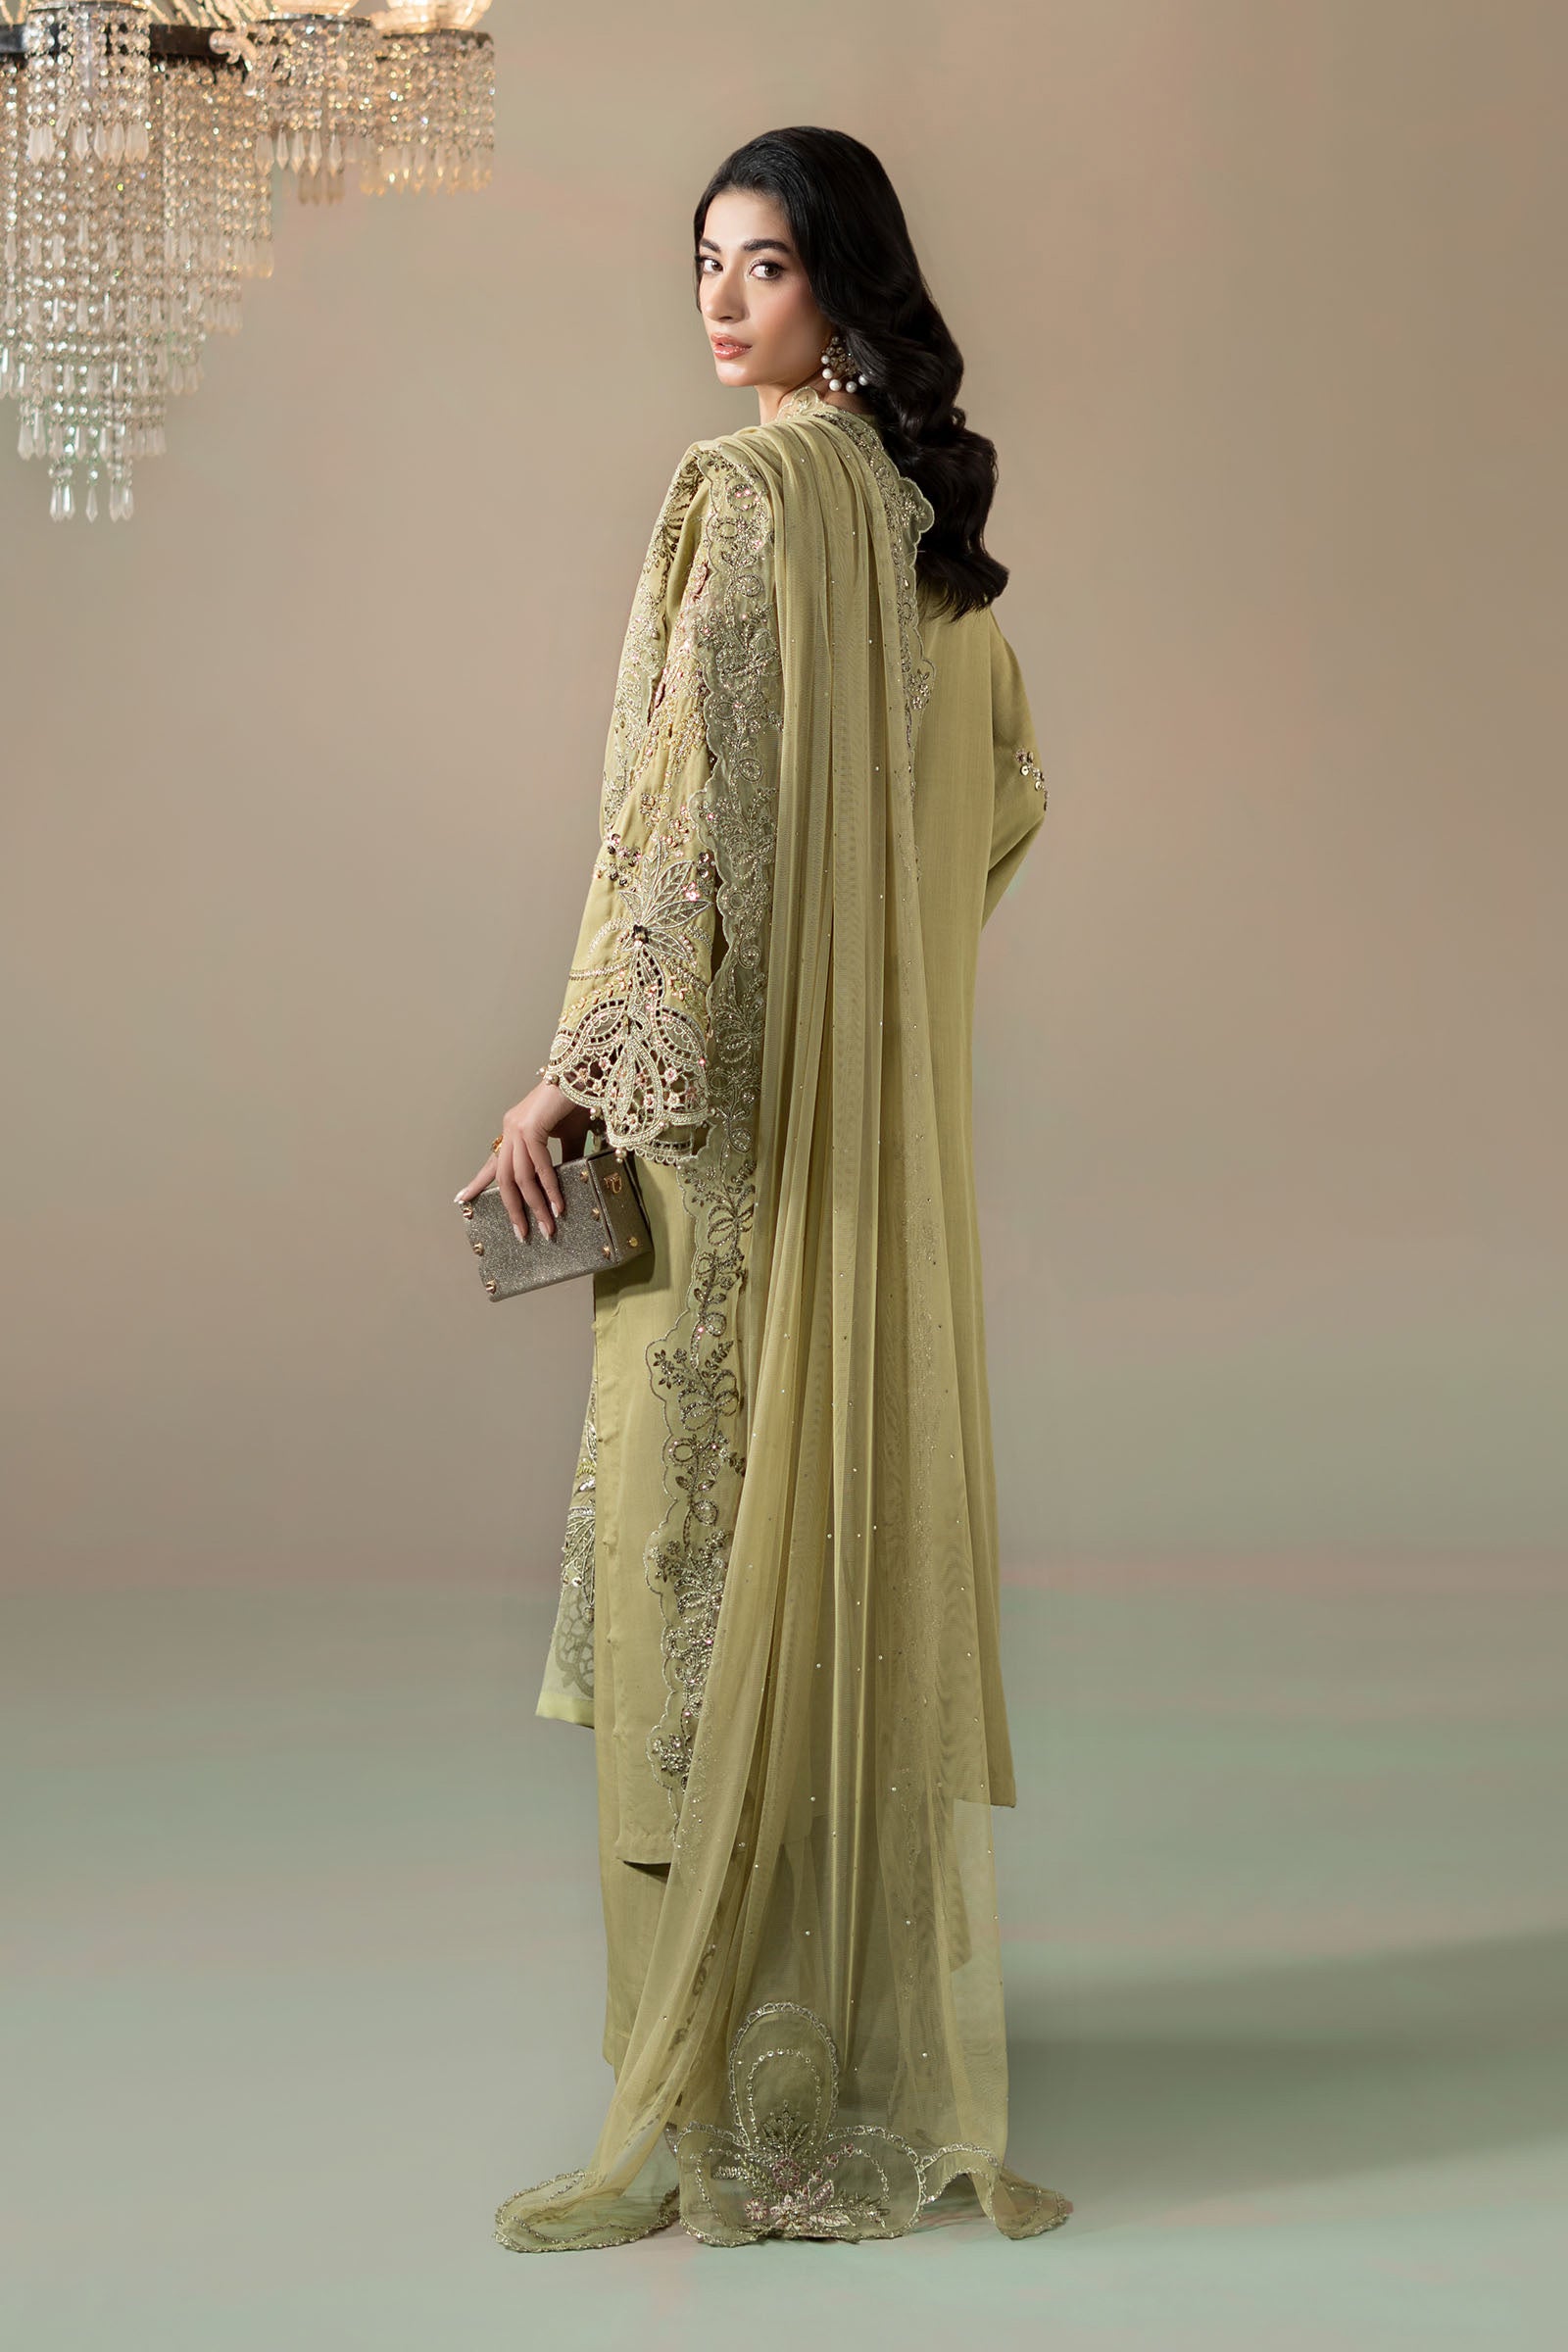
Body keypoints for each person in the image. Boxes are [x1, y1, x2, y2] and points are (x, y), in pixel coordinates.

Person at [455, 126, 1070, 2250]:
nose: (722, 304)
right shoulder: (922, 529)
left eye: (768, 265)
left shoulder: (739, 499)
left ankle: (708, 2089)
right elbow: (1002, 801)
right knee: (822, 1561)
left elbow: (681, 826)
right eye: (704, 264)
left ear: (846, 285)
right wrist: (860, 998)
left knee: (687, 1585)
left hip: (721, 1147)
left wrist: (571, 1084)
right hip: (868, 1158)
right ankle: (826, 2060)